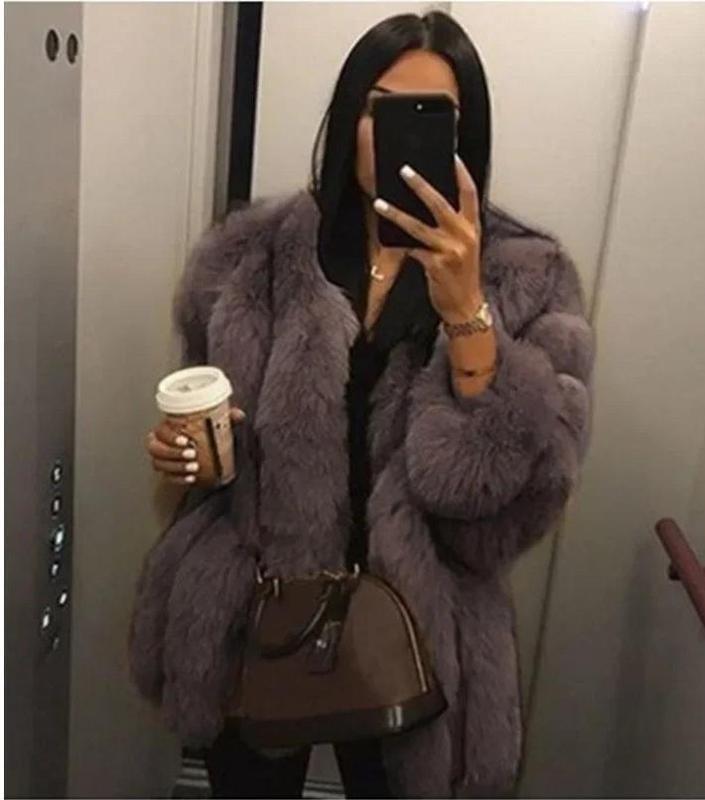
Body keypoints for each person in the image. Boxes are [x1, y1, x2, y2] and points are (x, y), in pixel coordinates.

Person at [129, 10, 595, 799]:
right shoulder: (249, 259)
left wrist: (466, 313)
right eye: (379, 108)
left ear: (465, 135)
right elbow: (205, 470)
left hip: (416, 636)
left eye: (431, 115)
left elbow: (514, 511)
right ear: (348, 116)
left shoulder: (528, 281)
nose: (394, 135)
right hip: (255, 618)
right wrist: (187, 461)